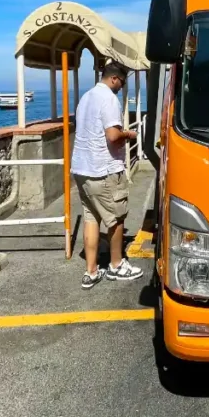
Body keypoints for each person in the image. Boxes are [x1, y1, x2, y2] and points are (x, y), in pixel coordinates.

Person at [71, 61, 144, 289]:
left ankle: (91, 271)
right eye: (122, 83)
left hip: (82, 171)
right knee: (116, 218)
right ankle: (116, 265)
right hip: (104, 171)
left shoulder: (86, 97)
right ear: (114, 78)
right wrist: (128, 134)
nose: (122, 87)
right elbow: (112, 136)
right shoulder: (109, 99)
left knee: (91, 219)